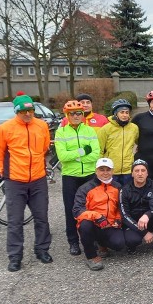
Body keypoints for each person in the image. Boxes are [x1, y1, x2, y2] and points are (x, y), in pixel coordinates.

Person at [0, 94, 52, 272]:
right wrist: (5, 173)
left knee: (42, 217)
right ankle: (15, 256)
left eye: (31, 110)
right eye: (23, 111)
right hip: (15, 181)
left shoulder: (41, 126)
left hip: (38, 179)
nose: (28, 114)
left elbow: (44, 148)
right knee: (15, 221)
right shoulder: (4, 128)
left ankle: (42, 250)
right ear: (16, 111)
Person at [54, 100, 100, 256]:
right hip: (70, 176)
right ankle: (73, 241)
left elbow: (96, 154)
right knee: (70, 210)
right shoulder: (61, 132)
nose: (76, 116)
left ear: (82, 115)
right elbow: (62, 156)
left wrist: (78, 158)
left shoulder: (90, 131)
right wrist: (82, 152)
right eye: (72, 113)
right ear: (67, 115)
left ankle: (92, 238)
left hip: (89, 174)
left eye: (78, 113)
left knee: (92, 208)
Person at [73, 158, 126, 271]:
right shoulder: (85, 188)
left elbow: (121, 207)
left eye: (108, 170)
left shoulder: (118, 187)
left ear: (112, 171)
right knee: (85, 225)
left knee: (119, 244)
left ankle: (102, 244)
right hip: (93, 224)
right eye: (102, 169)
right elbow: (77, 210)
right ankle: (91, 256)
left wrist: (118, 219)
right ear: (96, 171)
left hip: (110, 224)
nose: (105, 173)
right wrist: (97, 217)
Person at [98, 99, 139, 185]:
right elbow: (100, 150)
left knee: (127, 196)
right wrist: (100, 169)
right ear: (116, 114)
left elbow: (138, 142)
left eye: (127, 112)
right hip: (111, 170)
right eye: (122, 112)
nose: (125, 115)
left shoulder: (134, 128)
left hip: (128, 170)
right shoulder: (105, 129)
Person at [119, 159, 153, 254]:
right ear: (132, 174)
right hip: (134, 223)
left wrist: (148, 214)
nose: (140, 174)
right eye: (136, 171)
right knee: (132, 240)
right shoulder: (124, 190)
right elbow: (124, 216)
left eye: (143, 170)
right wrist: (144, 232)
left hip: (150, 220)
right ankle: (132, 246)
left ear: (147, 173)